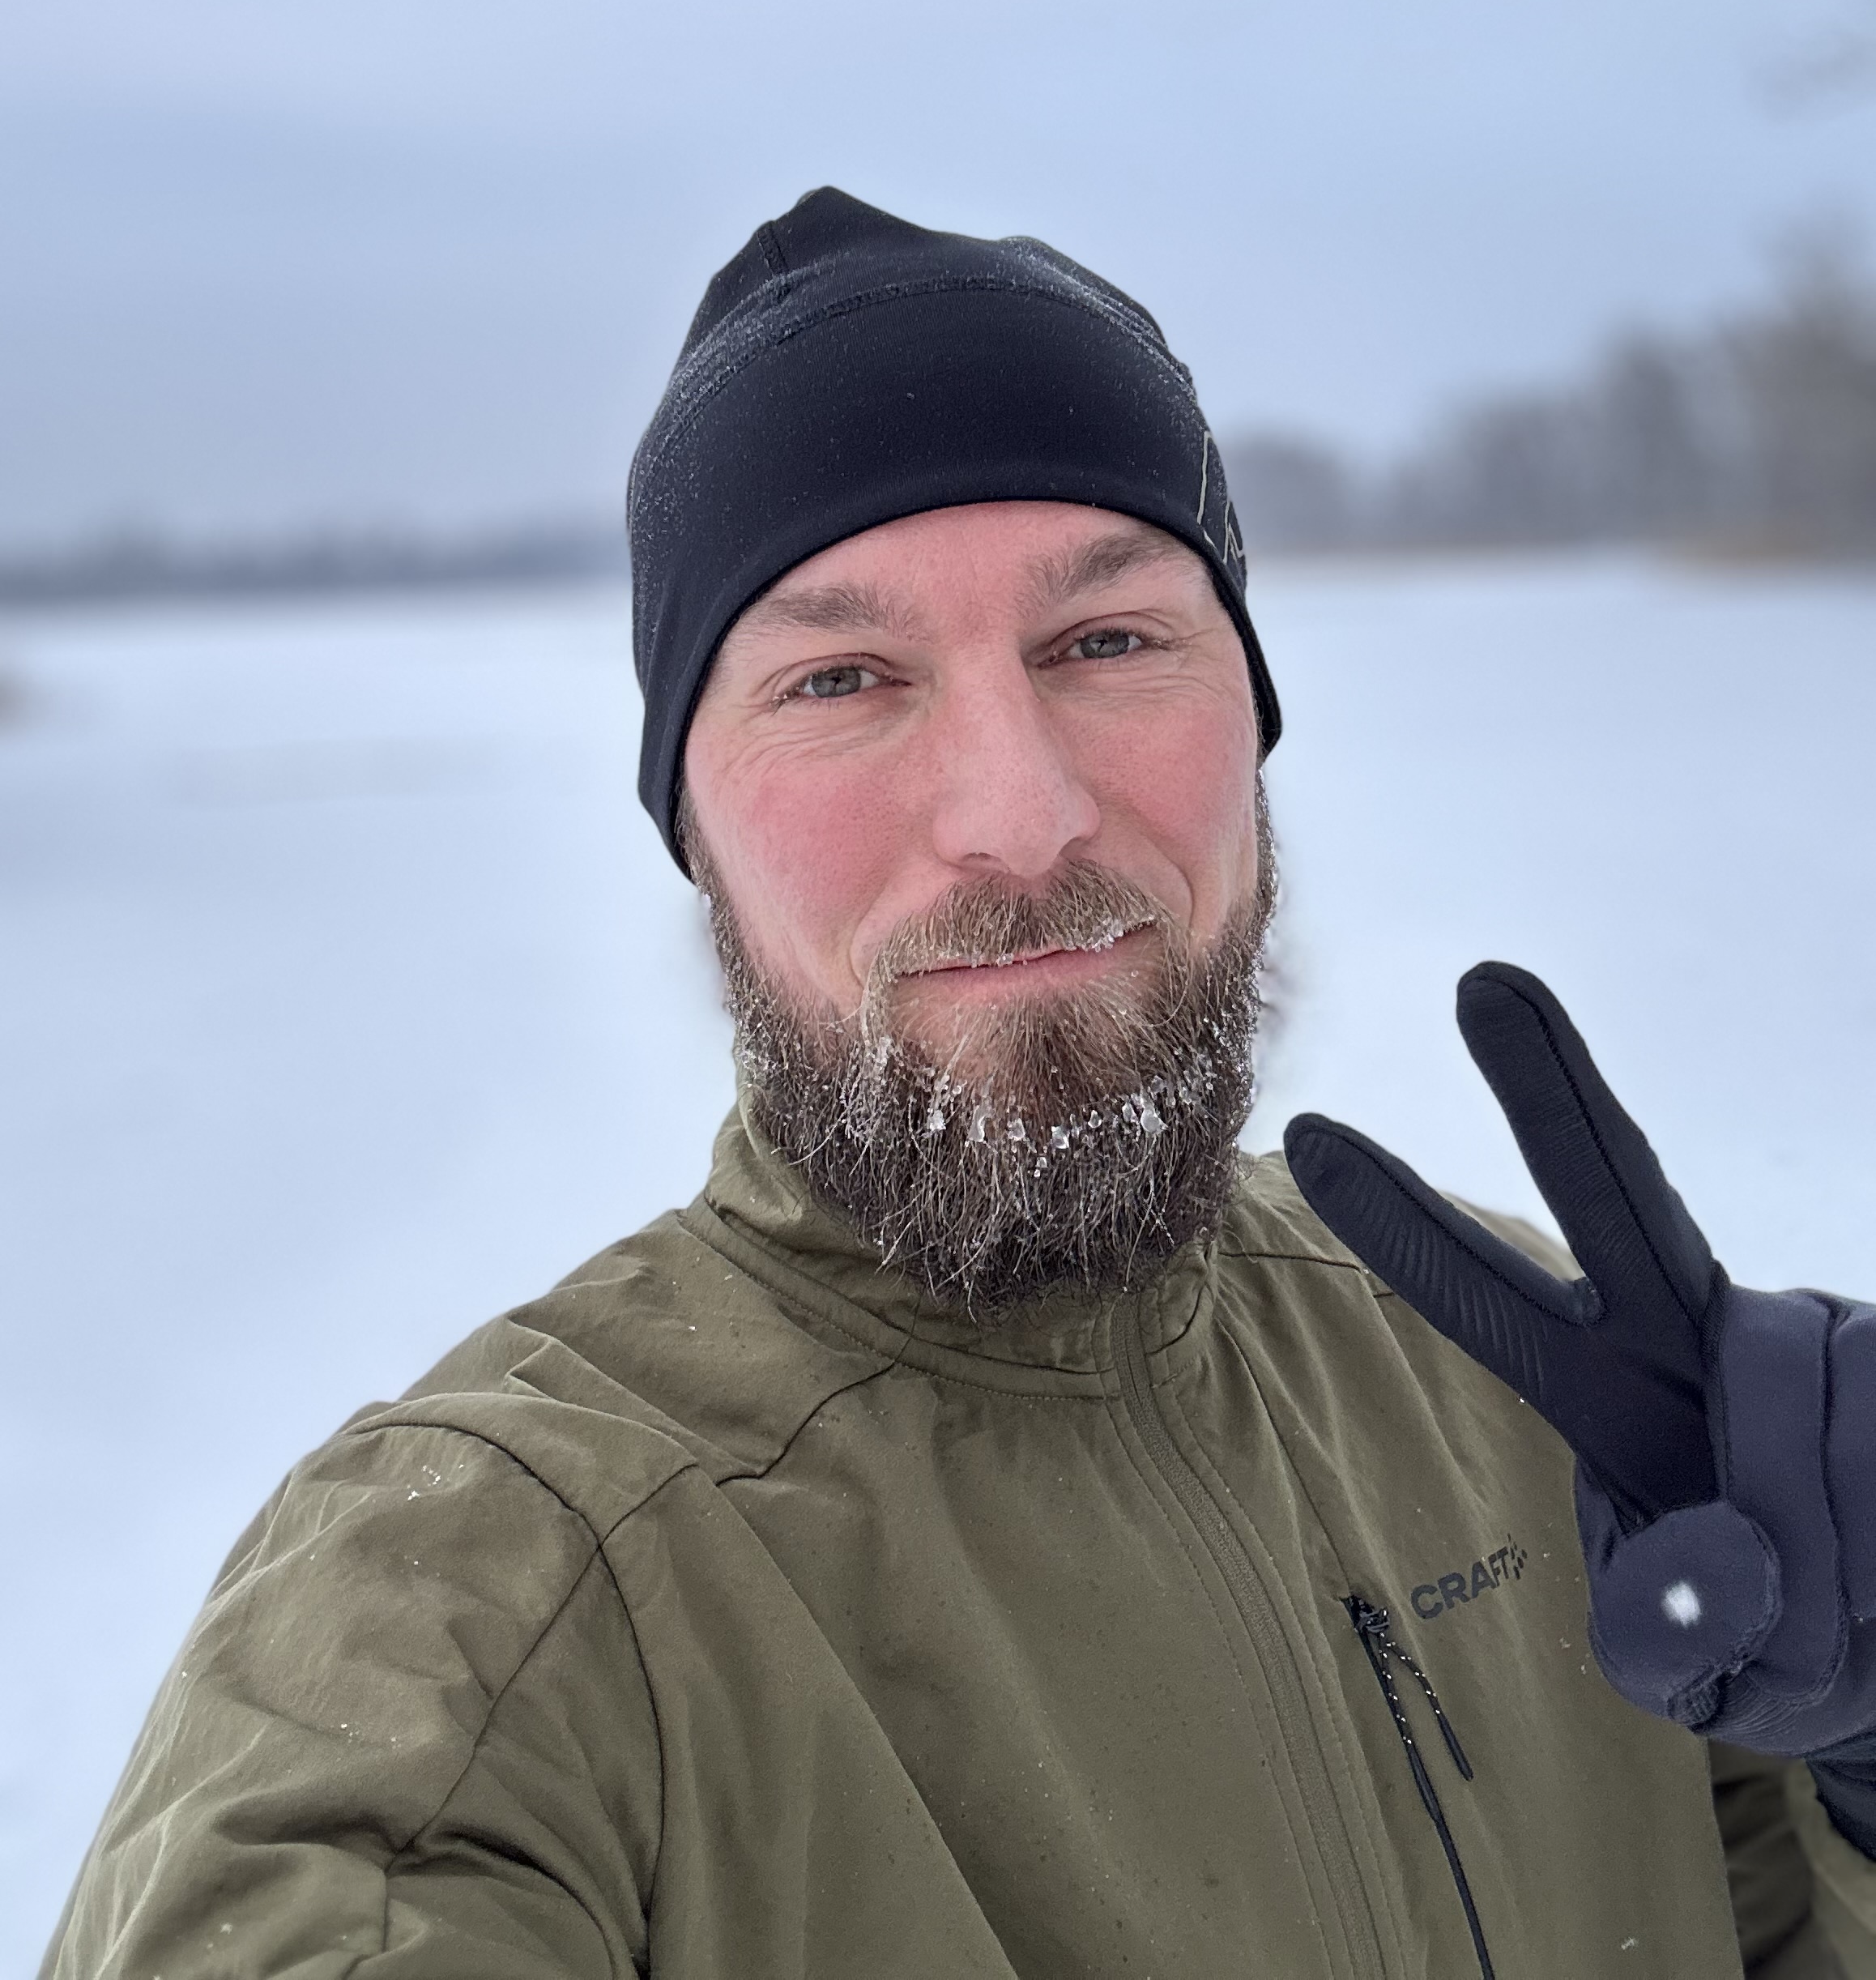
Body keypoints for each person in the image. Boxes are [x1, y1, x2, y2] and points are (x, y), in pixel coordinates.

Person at [45, 189, 1876, 1979]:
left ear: (1250, 720)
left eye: (1108, 641)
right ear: (695, 825)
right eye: (842, 676)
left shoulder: (1530, 1387)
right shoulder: (486, 1599)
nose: (1022, 814)